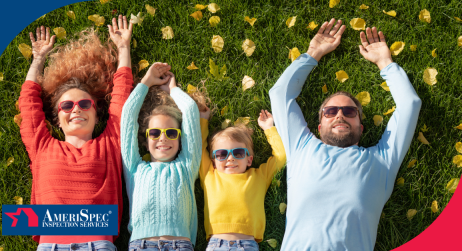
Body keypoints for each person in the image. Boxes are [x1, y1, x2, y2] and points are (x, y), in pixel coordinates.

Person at [269, 18, 422, 250]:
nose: (339, 115)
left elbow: (410, 104)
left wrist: (385, 62)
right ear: (319, 128)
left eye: (350, 111)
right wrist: (312, 53)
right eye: (330, 111)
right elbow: (280, 95)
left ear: (361, 127)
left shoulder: (382, 161)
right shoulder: (301, 147)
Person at [18, 15, 134, 251]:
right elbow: (28, 104)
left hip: (98, 244)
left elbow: (122, 98)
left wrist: (123, 48)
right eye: (67, 106)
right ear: (57, 119)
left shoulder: (110, 143)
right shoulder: (41, 146)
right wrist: (38, 59)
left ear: (96, 112)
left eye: (84, 104)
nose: (76, 110)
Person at [121, 65, 202, 251]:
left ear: (181, 139)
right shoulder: (134, 168)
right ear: (146, 138)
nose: (163, 138)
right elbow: (127, 117)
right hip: (141, 245)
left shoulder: (187, 166)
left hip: (179, 245)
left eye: (171, 132)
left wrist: (174, 90)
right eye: (155, 133)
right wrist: (145, 83)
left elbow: (190, 111)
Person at [199, 109, 286, 251]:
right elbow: (198, 148)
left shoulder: (259, 176)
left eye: (238, 153)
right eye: (222, 154)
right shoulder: (209, 175)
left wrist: (269, 128)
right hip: (217, 244)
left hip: (248, 245)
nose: (230, 158)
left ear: (249, 160)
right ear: (214, 161)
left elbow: (281, 156)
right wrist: (203, 121)